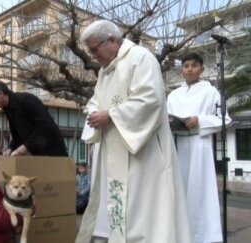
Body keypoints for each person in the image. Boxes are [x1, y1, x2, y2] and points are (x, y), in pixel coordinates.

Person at [77, 20, 191, 243]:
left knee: (146, 210)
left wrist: (110, 115)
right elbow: (96, 100)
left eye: (94, 49)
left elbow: (151, 99)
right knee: (124, 208)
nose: (92, 56)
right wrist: (93, 111)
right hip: (117, 148)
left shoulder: (140, 58)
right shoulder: (104, 72)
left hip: (144, 154)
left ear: (111, 40)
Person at [167, 52, 232, 243]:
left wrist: (199, 119)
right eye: (186, 66)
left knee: (199, 189)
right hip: (177, 145)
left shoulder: (211, 92)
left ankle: (203, 236)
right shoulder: (174, 94)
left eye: (194, 65)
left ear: (201, 69)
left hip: (199, 146)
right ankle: (178, 234)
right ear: (181, 70)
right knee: (177, 190)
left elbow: (224, 119)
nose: (189, 69)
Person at [0, 80, 68, 156]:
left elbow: (43, 125)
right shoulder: (8, 110)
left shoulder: (26, 100)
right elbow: (16, 136)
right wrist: (10, 148)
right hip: (39, 154)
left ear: (1, 93)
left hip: (54, 152)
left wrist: (26, 146)